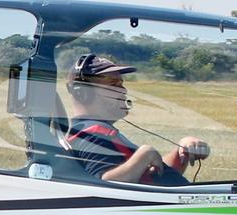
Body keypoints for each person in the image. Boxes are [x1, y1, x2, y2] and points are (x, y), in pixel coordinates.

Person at [64, 53, 209, 184]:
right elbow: (106, 185)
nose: (123, 90)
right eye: (114, 84)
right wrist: (145, 155)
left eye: (121, 84)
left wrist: (180, 153)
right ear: (82, 92)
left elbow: (150, 177)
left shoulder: (92, 130)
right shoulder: (93, 134)